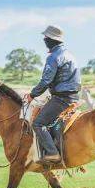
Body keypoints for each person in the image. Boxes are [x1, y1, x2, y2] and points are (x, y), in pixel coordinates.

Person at [23, 25, 81, 165]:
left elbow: (46, 81)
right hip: (73, 98)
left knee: (38, 124)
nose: (44, 40)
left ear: (51, 40)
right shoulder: (69, 55)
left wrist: (32, 95)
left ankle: (53, 154)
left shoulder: (54, 57)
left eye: (46, 38)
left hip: (61, 99)